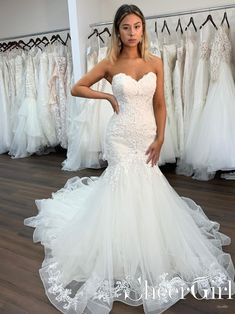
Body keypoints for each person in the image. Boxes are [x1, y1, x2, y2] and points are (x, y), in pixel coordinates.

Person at [24, 4, 235, 314]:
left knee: (148, 188)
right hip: (120, 136)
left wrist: (161, 138)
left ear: (143, 29)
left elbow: (161, 104)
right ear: (118, 31)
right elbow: (76, 87)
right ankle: (119, 249)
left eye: (137, 26)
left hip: (147, 134)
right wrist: (108, 95)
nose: (133, 32)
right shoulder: (109, 63)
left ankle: (147, 244)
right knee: (121, 185)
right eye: (126, 27)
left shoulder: (156, 62)